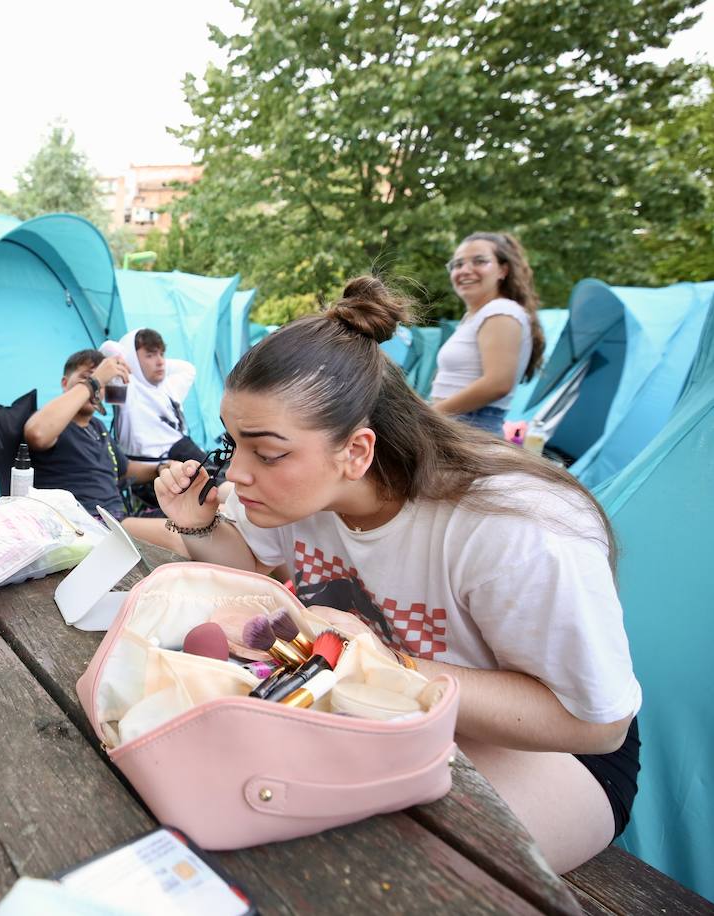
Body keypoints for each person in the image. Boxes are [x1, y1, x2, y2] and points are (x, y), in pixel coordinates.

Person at [155, 276, 639, 873]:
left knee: (372, 871)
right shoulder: (299, 497)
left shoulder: (513, 526)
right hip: (389, 711)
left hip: (549, 750)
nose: (239, 475)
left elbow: (597, 723)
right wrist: (195, 526)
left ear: (357, 451)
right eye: (233, 445)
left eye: (269, 453)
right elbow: (254, 568)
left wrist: (389, 662)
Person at [22, 348, 162, 524]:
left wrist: (160, 468)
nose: (96, 388)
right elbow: (37, 434)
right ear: (65, 383)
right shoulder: (54, 423)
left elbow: (124, 470)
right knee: (180, 535)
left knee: (193, 521)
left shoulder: (98, 426)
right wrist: (94, 381)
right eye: (86, 377)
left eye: (102, 383)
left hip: (118, 518)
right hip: (85, 522)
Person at [431, 232, 546, 435]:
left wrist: (428, 415)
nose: (465, 270)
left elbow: (498, 383)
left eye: (479, 261)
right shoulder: (477, 315)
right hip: (458, 424)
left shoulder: (501, 311)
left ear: (503, 270)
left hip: (471, 428)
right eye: (457, 264)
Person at [111, 328, 206, 464]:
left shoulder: (167, 386)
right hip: (154, 467)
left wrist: (156, 360)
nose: (161, 362)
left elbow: (188, 368)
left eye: (161, 354)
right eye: (150, 355)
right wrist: (130, 364)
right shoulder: (124, 388)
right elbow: (107, 350)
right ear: (131, 358)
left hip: (183, 453)